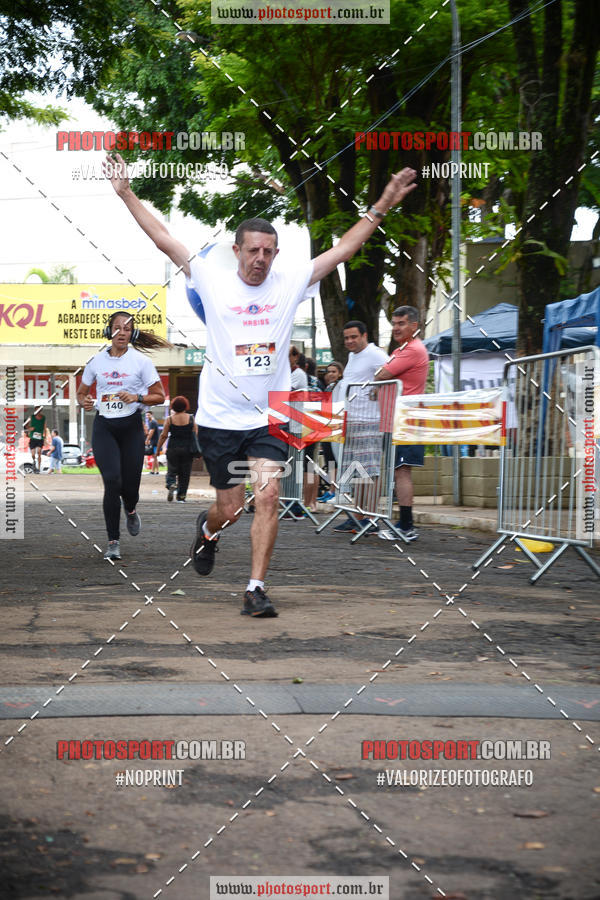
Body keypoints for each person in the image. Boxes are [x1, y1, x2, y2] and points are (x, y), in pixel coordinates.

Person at [105, 150, 417, 617]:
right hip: (217, 417)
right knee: (229, 509)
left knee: (268, 494)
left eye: (269, 251)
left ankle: (255, 588)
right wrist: (126, 192)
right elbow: (164, 240)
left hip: (266, 417)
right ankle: (207, 532)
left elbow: (344, 250)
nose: (261, 259)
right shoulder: (211, 277)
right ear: (237, 251)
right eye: (253, 250)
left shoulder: (290, 281)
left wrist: (382, 205)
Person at [76, 311, 168, 560]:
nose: (122, 332)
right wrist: (84, 401)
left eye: (127, 329)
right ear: (109, 332)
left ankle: (131, 508)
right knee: (112, 481)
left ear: (132, 333)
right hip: (104, 426)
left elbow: (159, 396)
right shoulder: (96, 361)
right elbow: (82, 392)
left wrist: (137, 397)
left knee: (130, 487)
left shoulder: (141, 362)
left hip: (131, 427)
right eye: (117, 328)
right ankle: (113, 542)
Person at [374, 305, 430, 541]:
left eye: (402, 323)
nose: (396, 328)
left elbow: (380, 375)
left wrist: (380, 372)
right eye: (394, 324)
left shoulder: (412, 350)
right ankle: (405, 523)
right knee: (399, 471)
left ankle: (407, 526)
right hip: (401, 420)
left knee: (402, 472)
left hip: (407, 420)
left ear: (414, 326)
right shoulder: (405, 349)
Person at [332, 321, 388, 534]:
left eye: (354, 337)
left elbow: (392, 370)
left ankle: (371, 518)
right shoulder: (353, 356)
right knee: (358, 470)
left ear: (365, 335)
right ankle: (358, 514)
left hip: (369, 421)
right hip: (352, 420)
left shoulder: (375, 354)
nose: (349, 341)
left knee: (371, 471)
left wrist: (376, 388)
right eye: (346, 338)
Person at [156, 395, 198, 502]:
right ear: (185, 406)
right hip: (187, 449)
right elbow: (196, 434)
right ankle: (181, 497)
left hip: (173, 448)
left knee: (172, 469)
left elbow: (164, 435)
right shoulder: (191, 418)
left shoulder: (169, 419)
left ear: (173, 406)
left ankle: (171, 484)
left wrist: (158, 449)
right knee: (185, 473)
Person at [27, 408, 46, 473]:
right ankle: (34, 461)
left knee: (39, 452)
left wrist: (45, 436)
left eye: (39, 410)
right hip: (33, 438)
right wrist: (30, 428)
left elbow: (45, 427)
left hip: (40, 438)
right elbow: (26, 425)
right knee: (33, 454)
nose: (38, 411)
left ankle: (38, 467)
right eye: (36, 410)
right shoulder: (31, 417)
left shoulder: (43, 418)